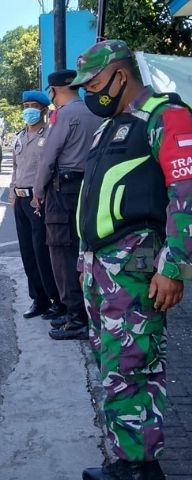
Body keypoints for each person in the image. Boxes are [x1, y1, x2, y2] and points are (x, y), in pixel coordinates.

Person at [70, 40, 192, 480]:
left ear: (121, 75)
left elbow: (187, 195)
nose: (90, 93)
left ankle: (139, 469)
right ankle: (127, 458)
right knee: (113, 365)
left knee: (134, 367)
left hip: (136, 267)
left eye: (95, 83)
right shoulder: (111, 126)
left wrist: (174, 267)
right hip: (100, 267)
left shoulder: (165, 116)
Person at [31, 69, 103, 341]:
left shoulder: (63, 114)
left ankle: (76, 319)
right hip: (89, 189)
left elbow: (48, 159)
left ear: (53, 90)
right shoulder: (93, 112)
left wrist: (38, 191)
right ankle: (85, 313)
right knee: (83, 251)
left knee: (62, 254)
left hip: (63, 190)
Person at [9, 90, 65, 321]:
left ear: (44, 109)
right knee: (27, 252)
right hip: (20, 199)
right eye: (25, 105)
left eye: (33, 105)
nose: (28, 110)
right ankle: (38, 299)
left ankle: (56, 299)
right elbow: (15, 167)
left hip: (38, 199)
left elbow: (51, 168)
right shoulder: (19, 137)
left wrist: (41, 195)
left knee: (43, 251)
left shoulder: (50, 135)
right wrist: (12, 192)